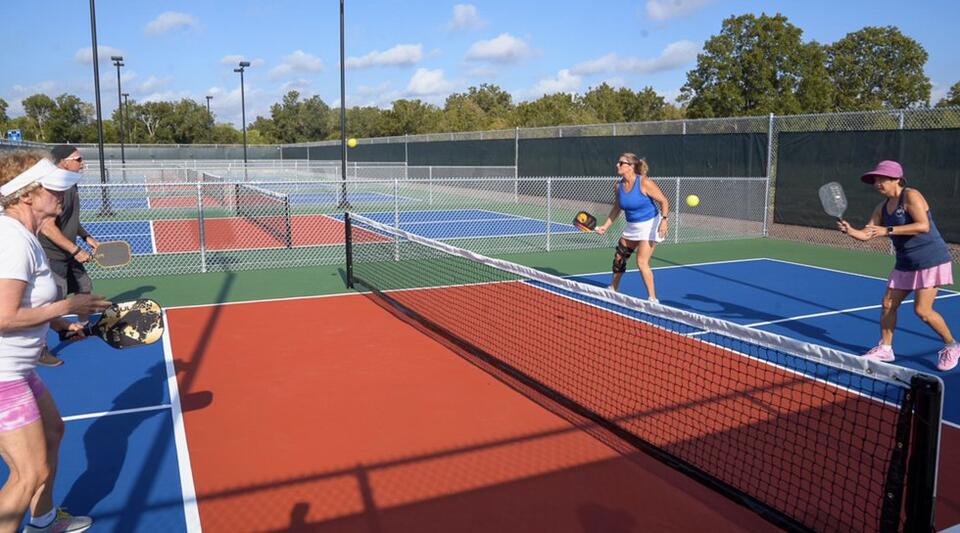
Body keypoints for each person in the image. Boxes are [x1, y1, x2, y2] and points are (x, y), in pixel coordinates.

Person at [0, 150, 110, 532]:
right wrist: (67, 304)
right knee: (26, 475)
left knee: (53, 431)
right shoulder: (12, 240)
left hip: (17, 368)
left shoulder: (24, 237)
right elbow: (3, 316)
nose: (61, 197)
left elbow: (28, 304)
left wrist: (62, 324)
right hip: (2, 376)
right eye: (53, 190)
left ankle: (43, 521)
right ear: (26, 194)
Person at [837, 160, 959, 371]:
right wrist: (851, 231)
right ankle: (886, 348)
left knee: (922, 310)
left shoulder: (911, 195)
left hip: (931, 260)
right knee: (887, 304)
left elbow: (923, 225)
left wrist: (888, 230)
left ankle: (952, 345)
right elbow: (868, 233)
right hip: (905, 263)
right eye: (875, 179)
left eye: (881, 178)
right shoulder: (881, 207)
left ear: (896, 179)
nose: (876, 183)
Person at [36, 146, 100, 368]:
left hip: (69, 251)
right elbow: (47, 227)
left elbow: (70, 218)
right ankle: (41, 349)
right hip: (53, 256)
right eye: (78, 159)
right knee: (52, 303)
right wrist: (75, 250)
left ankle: (79, 328)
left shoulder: (70, 184)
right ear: (63, 162)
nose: (82, 163)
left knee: (84, 286)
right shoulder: (53, 187)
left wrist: (85, 236)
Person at [595, 153, 670, 301]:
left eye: (621, 163)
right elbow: (617, 208)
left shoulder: (644, 182)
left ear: (631, 167)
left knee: (641, 262)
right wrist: (605, 226)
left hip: (650, 225)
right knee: (619, 258)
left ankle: (652, 299)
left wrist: (664, 220)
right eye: (618, 162)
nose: (617, 165)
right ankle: (613, 289)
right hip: (632, 226)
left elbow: (664, 202)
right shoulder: (618, 186)